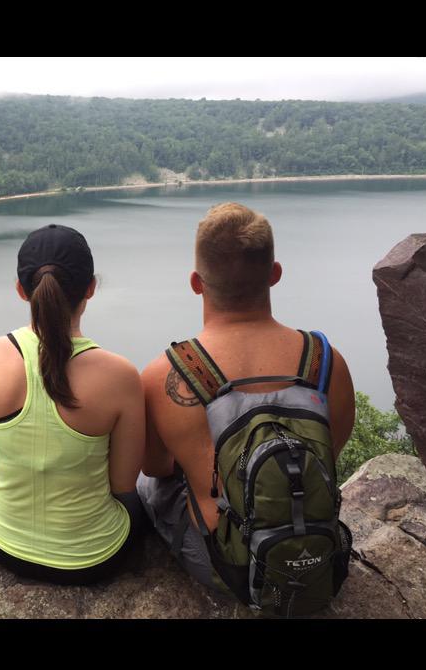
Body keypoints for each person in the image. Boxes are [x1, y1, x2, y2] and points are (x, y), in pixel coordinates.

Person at [138, 202, 356, 589]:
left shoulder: (164, 374)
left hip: (224, 565)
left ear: (195, 282)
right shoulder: (325, 361)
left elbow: (156, 467)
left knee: (146, 484)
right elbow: (326, 453)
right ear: (275, 274)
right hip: (314, 547)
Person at [0, 223, 146, 584]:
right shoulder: (119, 376)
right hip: (93, 558)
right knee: (144, 503)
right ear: (91, 288)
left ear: (21, 290)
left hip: (3, 545)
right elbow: (123, 484)